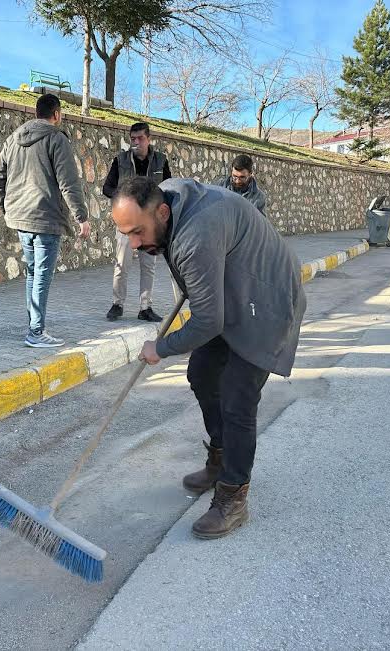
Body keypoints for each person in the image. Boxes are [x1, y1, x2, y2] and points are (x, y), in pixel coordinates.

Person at [111, 176, 306, 539]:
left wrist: (161, 347)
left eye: (138, 232)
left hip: (268, 302)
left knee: (237, 396)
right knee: (202, 373)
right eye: (127, 235)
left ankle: (233, 496)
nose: (135, 244)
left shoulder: (195, 234)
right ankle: (220, 458)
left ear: (162, 212)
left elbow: (206, 321)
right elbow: (203, 295)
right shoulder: (168, 204)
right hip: (233, 292)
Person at [0, 94, 90, 348]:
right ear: (56, 114)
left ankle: (34, 326)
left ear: (37, 113)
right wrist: (82, 217)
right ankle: (36, 332)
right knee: (42, 276)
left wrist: (3, 206)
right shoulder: (57, 140)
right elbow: (68, 183)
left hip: (21, 218)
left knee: (32, 274)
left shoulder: (14, 139)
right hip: (46, 218)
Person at [102, 122, 171, 322]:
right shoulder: (120, 160)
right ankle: (117, 304)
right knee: (121, 263)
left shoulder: (160, 161)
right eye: (133, 139)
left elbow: (168, 188)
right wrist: (124, 200)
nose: (136, 142)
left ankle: (145, 307)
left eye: (140, 138)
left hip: (150, 224)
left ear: (148, 139)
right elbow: (107, 187)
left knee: (148, 265)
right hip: (127, 224)